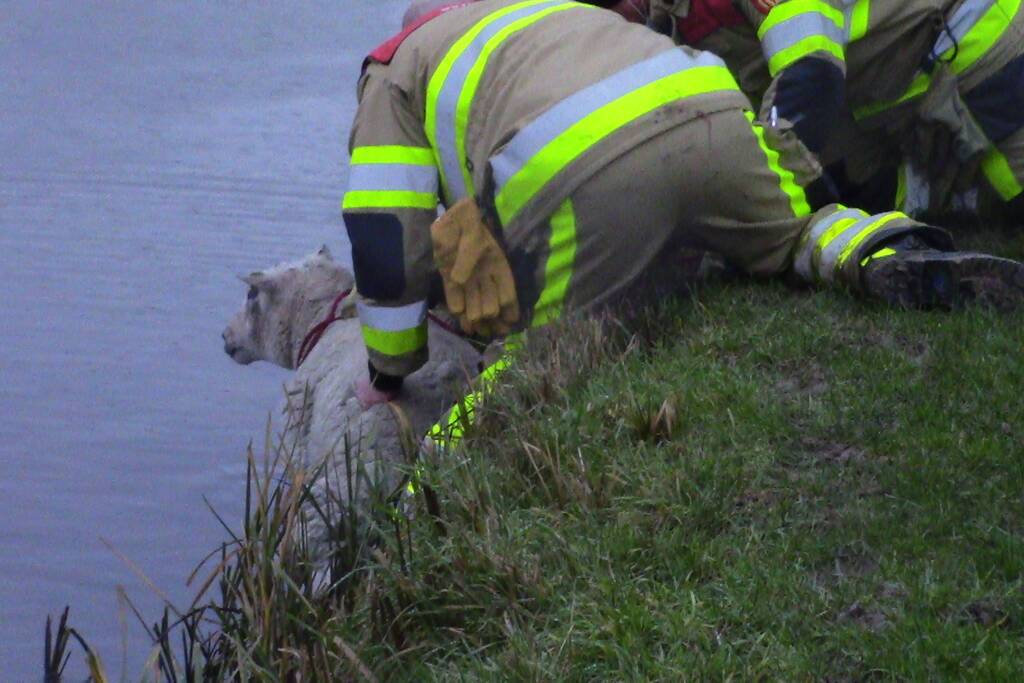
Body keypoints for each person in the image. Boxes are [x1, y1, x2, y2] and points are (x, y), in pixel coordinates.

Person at [342, 0, 1024, 410]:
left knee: (535, 363)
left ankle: (429, 485)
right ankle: (879, 254)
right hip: (713, 106)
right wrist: (793, 202)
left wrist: (389, 369)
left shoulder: (395, 65)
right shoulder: (563, 18)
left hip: (993, 63)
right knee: (801, 234)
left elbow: (384, 233)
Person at [632, 0, 1024, 219]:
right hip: (917, 94)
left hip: (986, 61)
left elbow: (810, 80)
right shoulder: (670, 14)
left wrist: (760, 203)